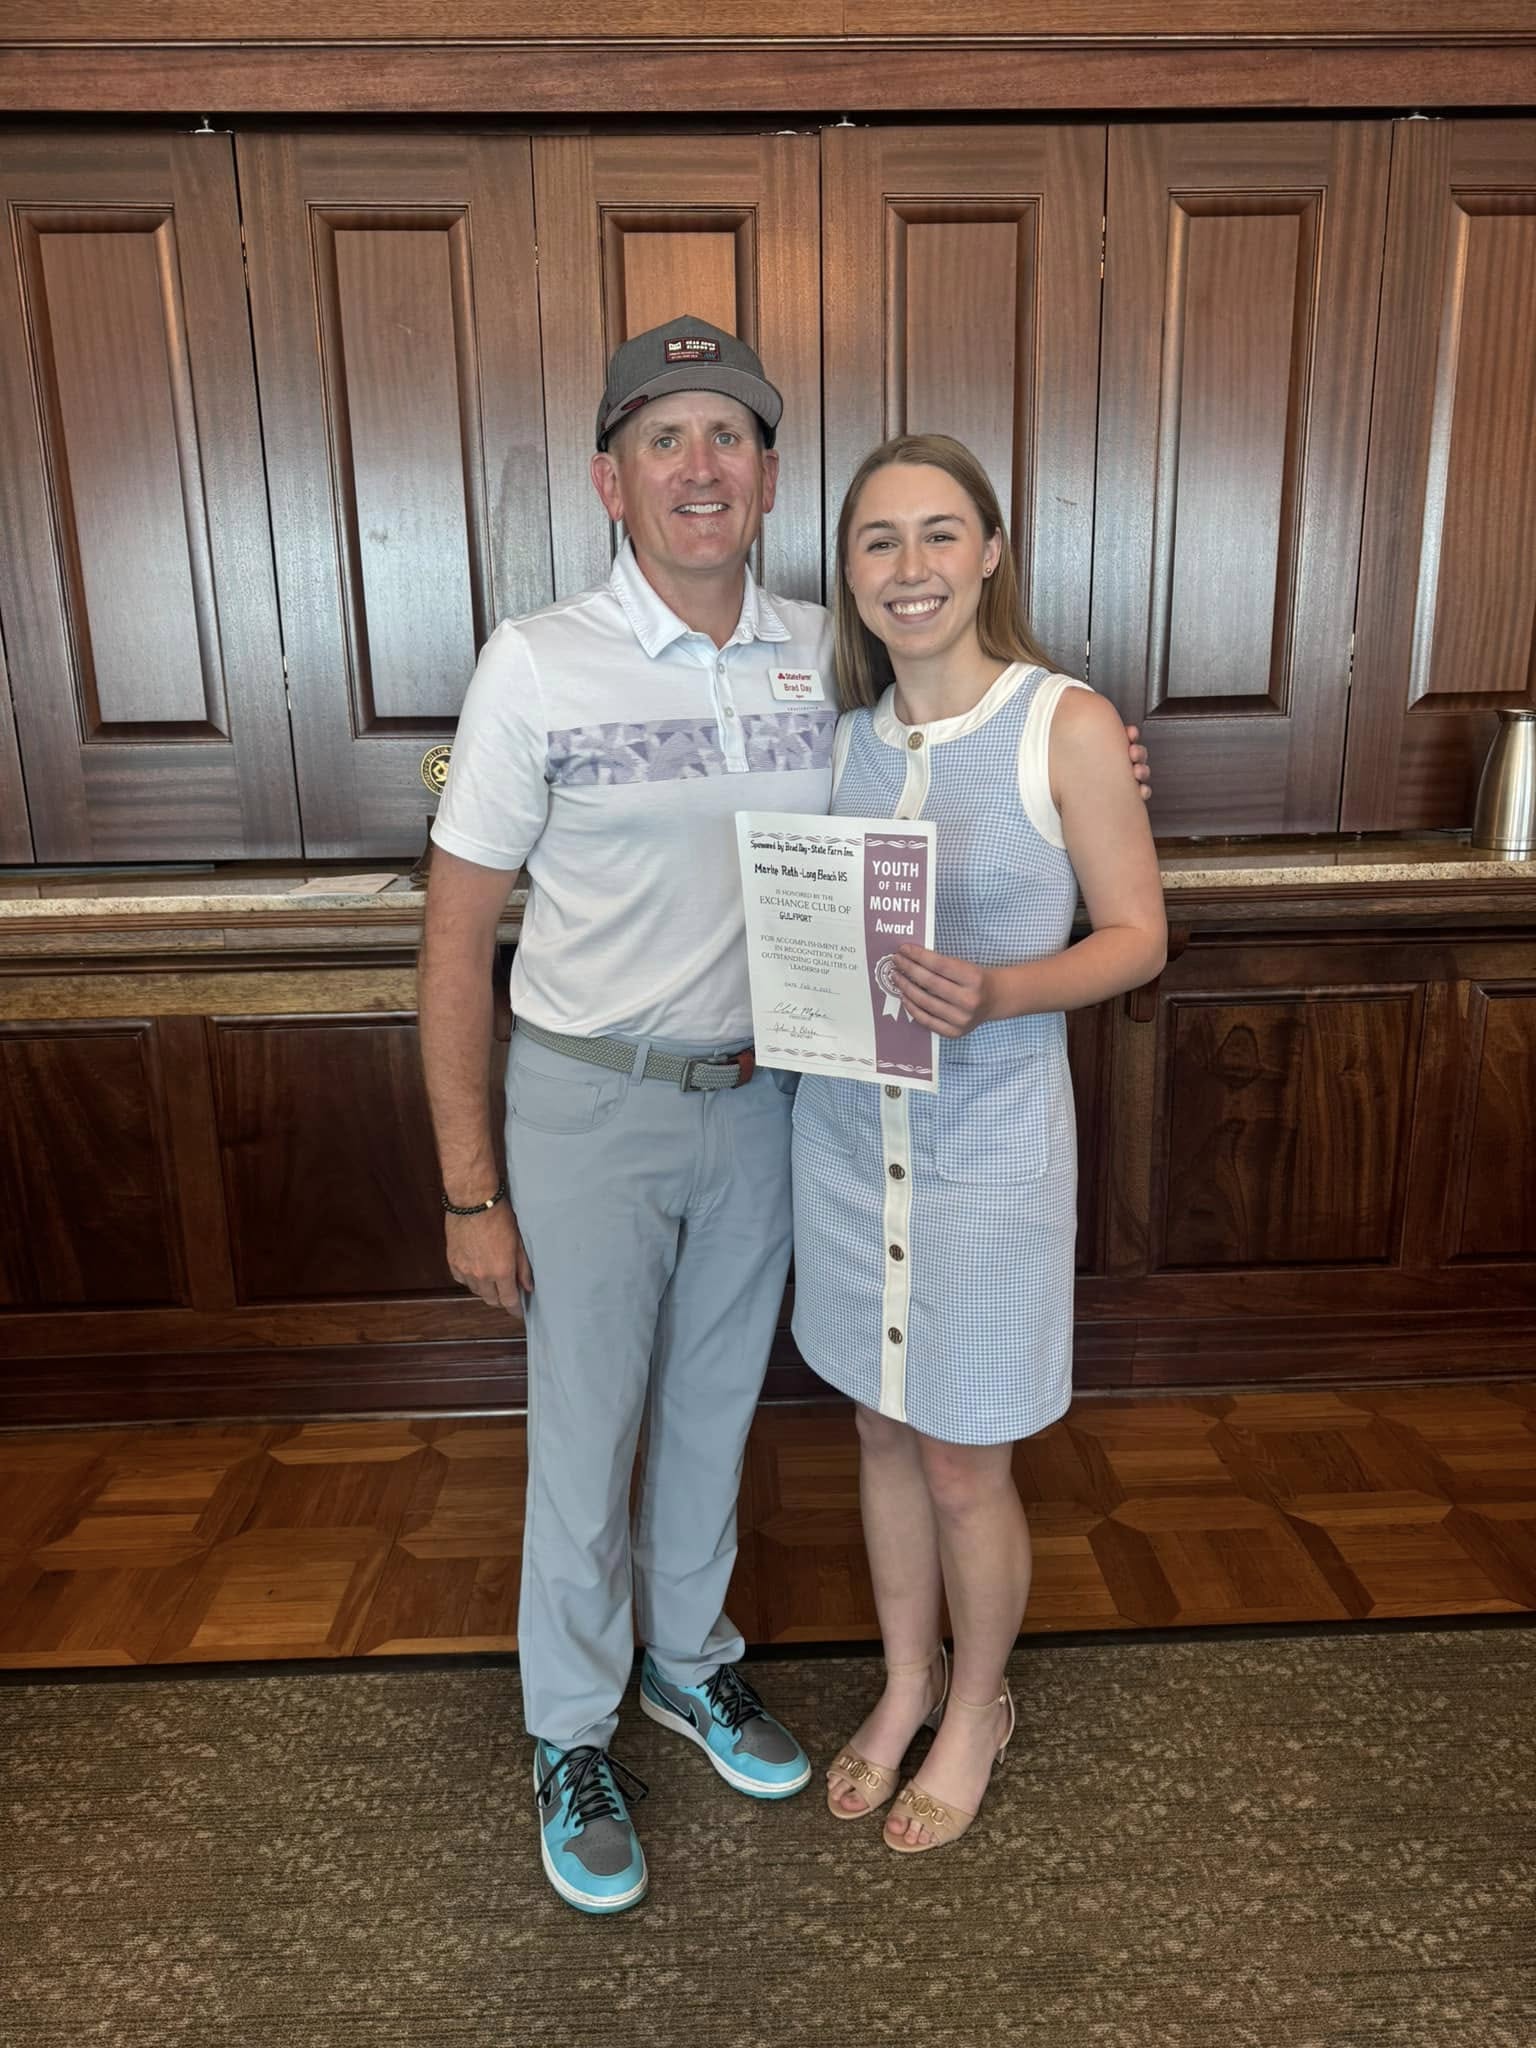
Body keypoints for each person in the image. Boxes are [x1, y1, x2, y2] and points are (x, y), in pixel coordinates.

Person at [417, 319, 1151, 1915]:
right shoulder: (535, 659)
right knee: (584, 1430)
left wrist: (1093, 751)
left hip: (775, 1103)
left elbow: (987, 740)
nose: (699, 468)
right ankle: (569, 1730)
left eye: (728, 439)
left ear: (763, 478)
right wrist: (472, 1185)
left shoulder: (832, 653)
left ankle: (690, 1668)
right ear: (611, 480)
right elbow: (456, 930)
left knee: (711, 1422)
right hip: (590, 1104)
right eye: (664, 440)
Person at [795, 434, 1167, 1856]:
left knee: (965, 1460)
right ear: (850, 571)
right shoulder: (842, 739)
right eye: (880, 541)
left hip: (991, 1148)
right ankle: (903, 1685)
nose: (912, 568)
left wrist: (1004, 990)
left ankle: (977, 1707)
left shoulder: (1066, 724)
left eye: (940, 535)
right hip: (841, 1142)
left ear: (992, 551)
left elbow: (1139, 939)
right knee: (880, 1429)